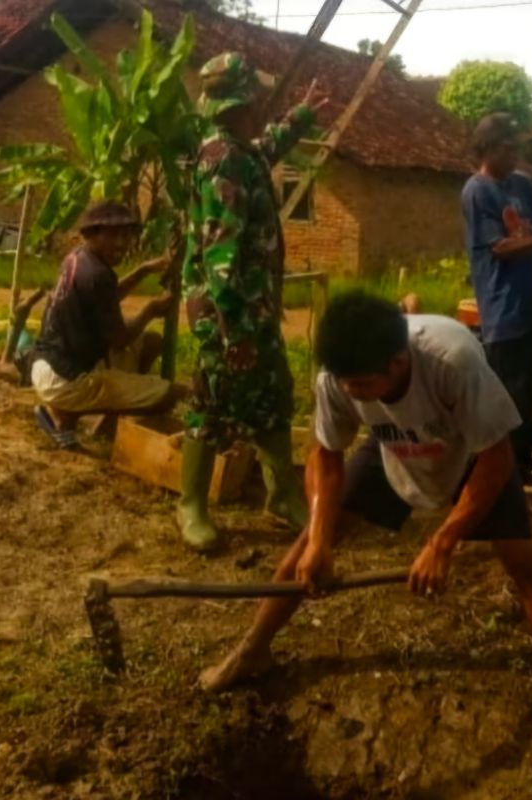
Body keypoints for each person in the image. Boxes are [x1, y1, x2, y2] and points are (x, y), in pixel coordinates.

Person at [197, 291, 532, 756]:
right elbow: (326, 456)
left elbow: (497, 456)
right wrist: (319, 537)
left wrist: (443, 541)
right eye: (345, 383)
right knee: (301, 554)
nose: (351, 391)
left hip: (470, 453)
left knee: (522, 561)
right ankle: (253, 649)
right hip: (393, 446)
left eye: (363, 384)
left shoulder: (451, 361)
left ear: (398, 361)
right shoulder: (339, 375)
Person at [178, 52, 330, 551]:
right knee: (212, 399)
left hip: (253, 306)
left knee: (272, 394)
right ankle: (192, 506)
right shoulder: (222, 161)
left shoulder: (240, 151)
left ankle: (281, 496)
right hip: (227, 312)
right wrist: (235, 330)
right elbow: (219, 255)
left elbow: (268, 148)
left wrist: (301, 116)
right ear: (241, 102)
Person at [461, 112, 532, 475]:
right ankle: (494, 472)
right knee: (506, 397)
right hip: (503, 311)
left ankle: (517, 468)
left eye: (516, 151)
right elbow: (500, 248)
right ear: (488, 150)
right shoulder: (478, 191)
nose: (514, 158)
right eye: (508, 151)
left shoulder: (521, 184)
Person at [31, 202, 177, 449]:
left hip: (48, 364)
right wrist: (151, 310)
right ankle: (62, 416)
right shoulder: (97, 275)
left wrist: (142, 270)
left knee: (150, 343)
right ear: (92, 235)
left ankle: (90, 418)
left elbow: (106, 298)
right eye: (112, 236)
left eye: (126, 235)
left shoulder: (77, 258)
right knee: (168, 396)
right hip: (67, 379)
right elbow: (120, 339)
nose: (121, 243)